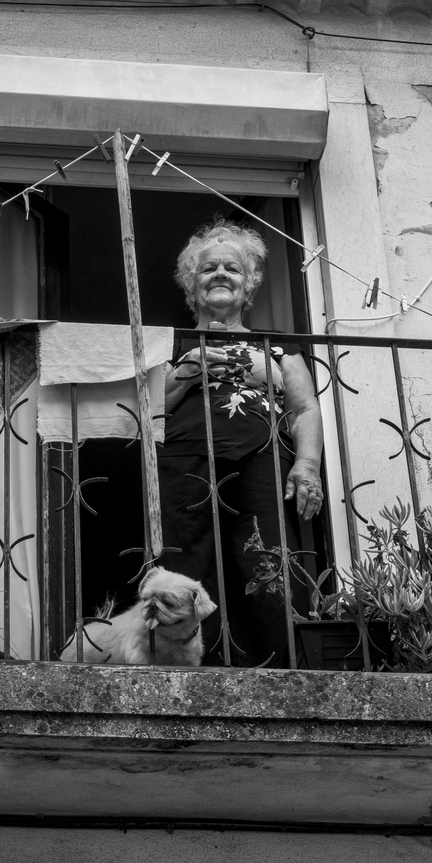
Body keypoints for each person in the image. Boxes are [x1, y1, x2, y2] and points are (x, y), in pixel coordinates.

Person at [159, 219, 324, 668]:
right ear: (191, 285)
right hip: (184, 462)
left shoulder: (278, 350)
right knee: (187, 563)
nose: (220, 274)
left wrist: (307, 464)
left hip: (262, 460)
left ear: (249, 284)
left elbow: (305, 409)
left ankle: (281, 669)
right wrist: (187, 369)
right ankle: (187, 669)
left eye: (232, 268)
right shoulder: (167, 348)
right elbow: (140, 408)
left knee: (266, 560)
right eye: (208, 268)